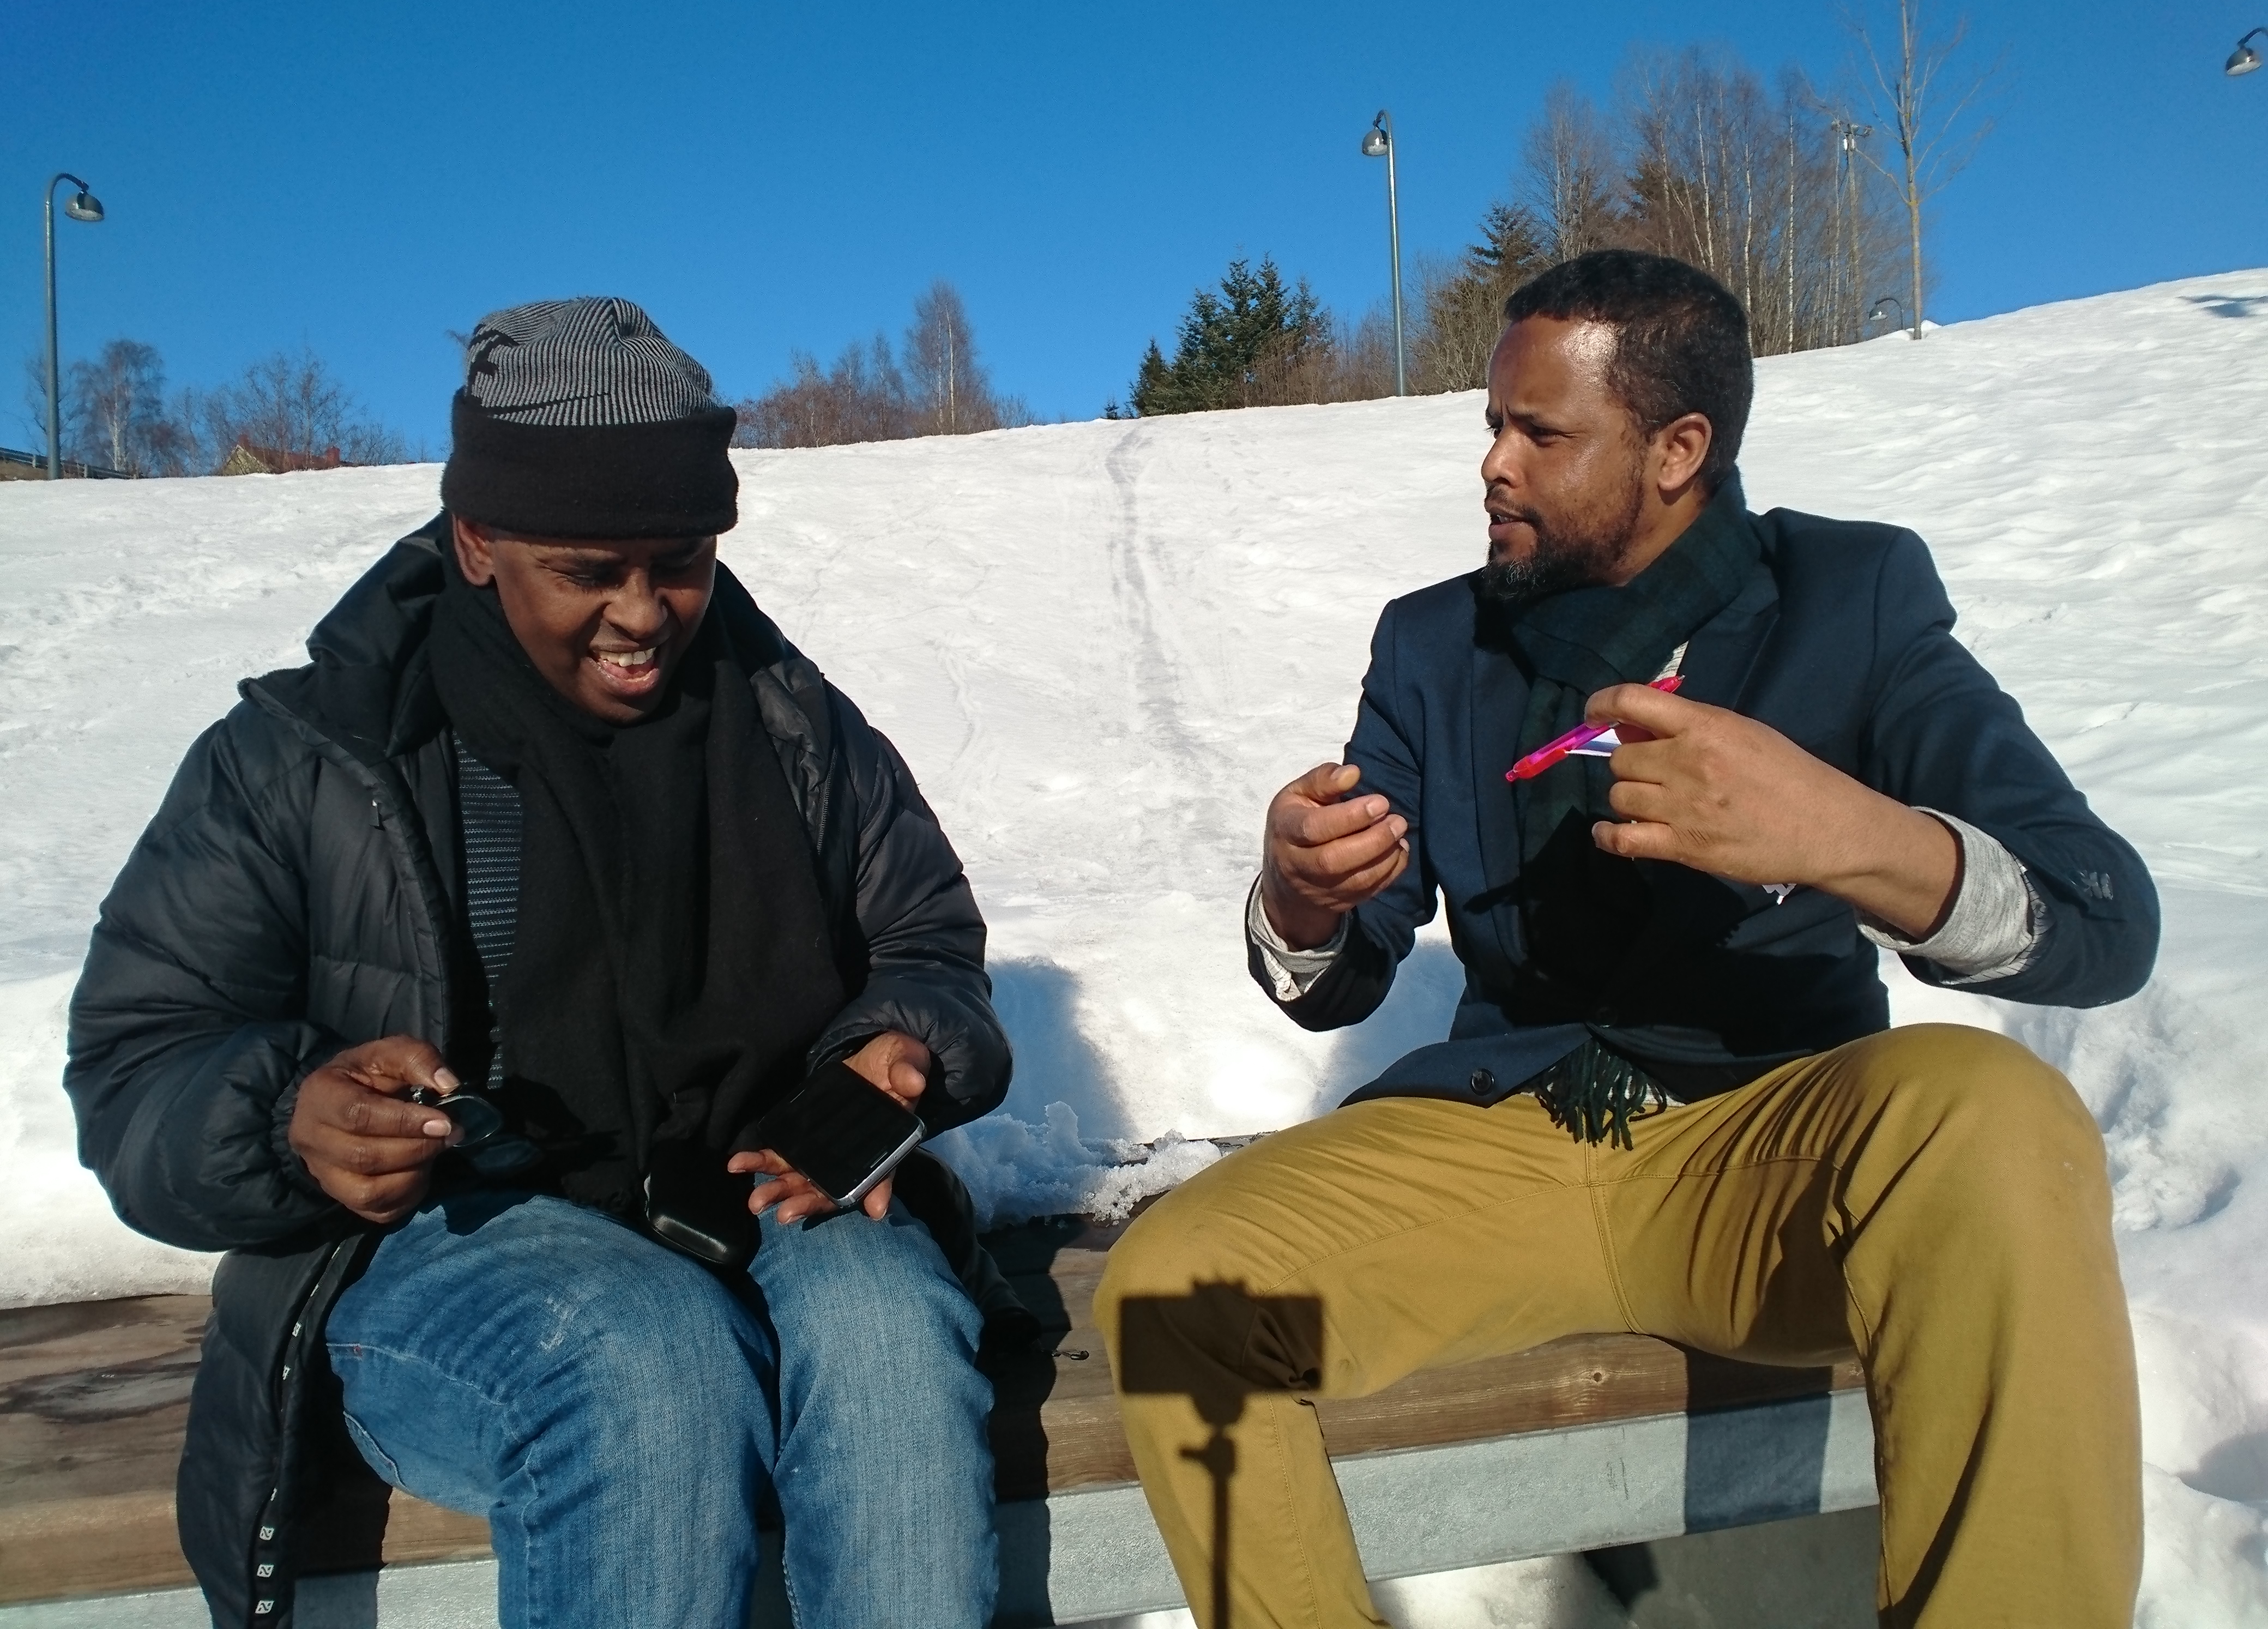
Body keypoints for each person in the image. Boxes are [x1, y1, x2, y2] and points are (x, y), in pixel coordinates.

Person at [1096, 250, 2158, 1629]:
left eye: (1539, 433)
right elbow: (1341, 971)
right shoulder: (1434, 644)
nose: (1493, 465)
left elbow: (2100, 919)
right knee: (1175, 1292)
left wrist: (1848, 834)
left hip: (1773, 1155)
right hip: (1503, 1148)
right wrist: (1304, 898)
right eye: (1492, 424)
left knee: (1997, 1114)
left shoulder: (1850, 598)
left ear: (1677, 450)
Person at [67, 298, 1016, 1629]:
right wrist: (290, 1119)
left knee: (890, 1333)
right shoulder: (303, 758)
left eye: (679, 562)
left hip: (760, 1185)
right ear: (477, 541)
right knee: (641, 1354)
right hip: (444, 1250)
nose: (642, 615)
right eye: (587, 572)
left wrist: (894, 1046)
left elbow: (926, 942)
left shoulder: (797, 726)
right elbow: (136, 1064)